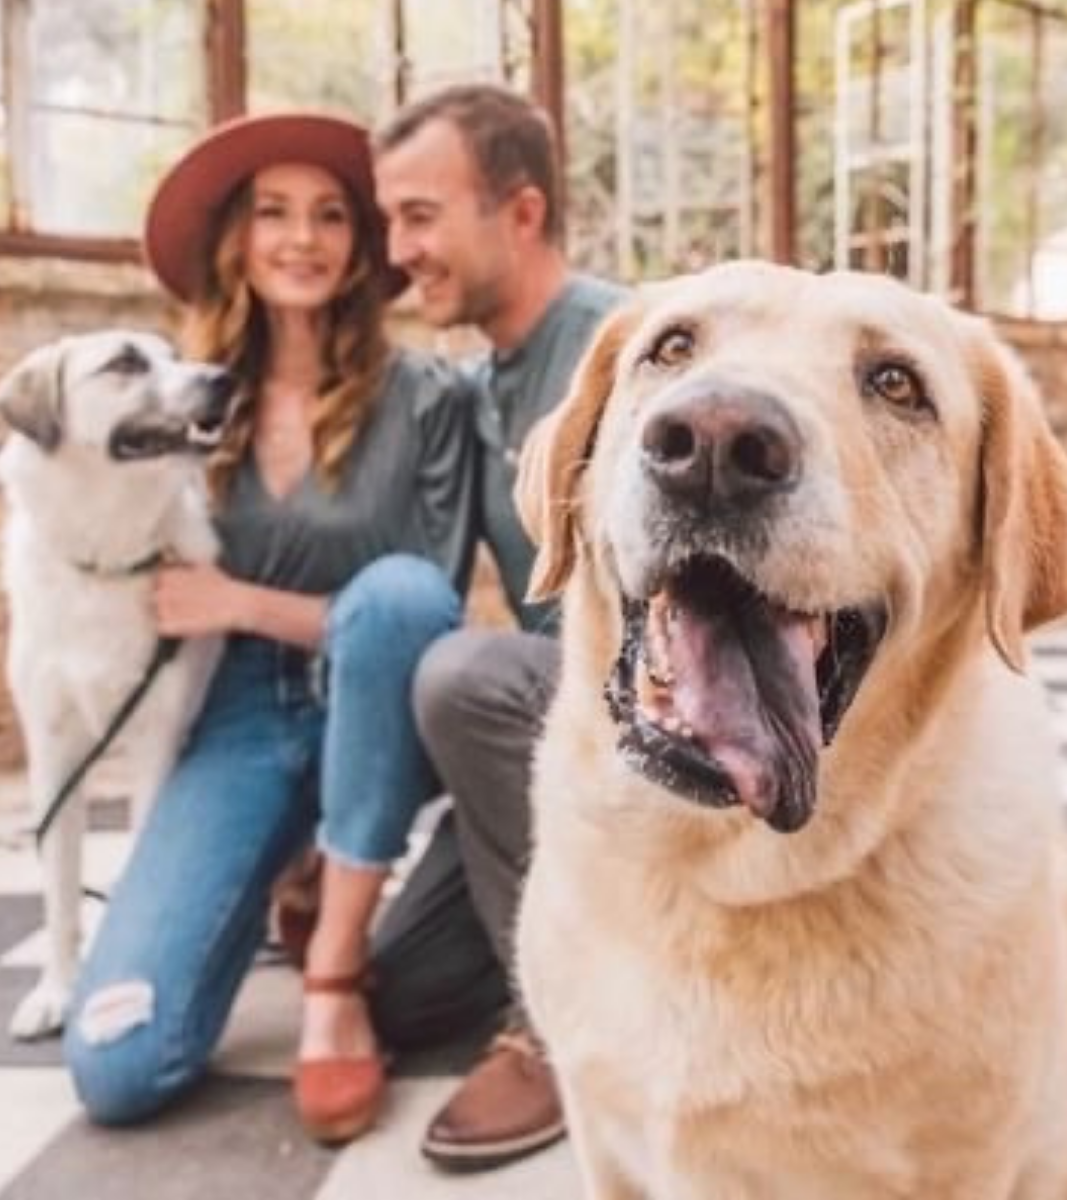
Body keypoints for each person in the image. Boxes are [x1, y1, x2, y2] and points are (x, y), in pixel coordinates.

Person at [61, 111, 491, 1146]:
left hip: (382, 702)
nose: (301, 239)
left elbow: (425, 603)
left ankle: (333, 964)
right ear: (235, 240)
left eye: (331, 215)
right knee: (119, 1063)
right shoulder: (186, 399)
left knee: (389, 599)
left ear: (360, 242)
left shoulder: (427, 396)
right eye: (273, 213)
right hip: (242, 715)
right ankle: (291, 859)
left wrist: (243, 602)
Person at [370, 82, 625, 1172]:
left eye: (418, 216)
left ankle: (565, 1025)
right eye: (388, 220)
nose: (397, 249)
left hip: (648, 736)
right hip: (550, 747)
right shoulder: (475, 391)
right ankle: (616, 949)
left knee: (463, 673)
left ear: (519, 214)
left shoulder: (628, 351)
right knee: (399, 990)